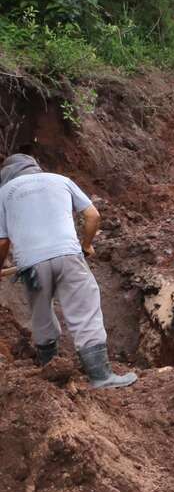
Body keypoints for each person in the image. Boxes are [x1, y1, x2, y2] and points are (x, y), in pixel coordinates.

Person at [0, 154, 136, 388]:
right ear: (36, 168)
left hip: (31, 266)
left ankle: (50, 372)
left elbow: (2, 241)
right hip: (68, 256)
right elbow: (92, 216)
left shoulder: (4, 193)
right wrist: (86, 244)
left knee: (40, 313)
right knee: (85, 310)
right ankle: (101, 376)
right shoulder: (60, 180)